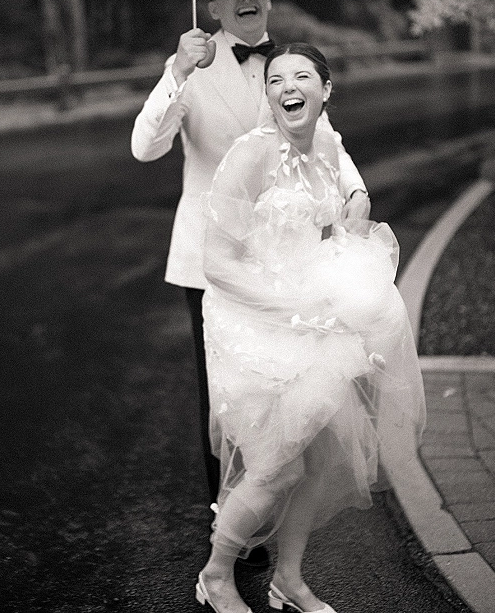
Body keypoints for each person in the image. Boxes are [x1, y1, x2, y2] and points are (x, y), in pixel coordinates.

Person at [131, 0, 370, 567]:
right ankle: (228, 531)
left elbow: (327, 143)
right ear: (211, 7)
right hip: (209, 262)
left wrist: (354, 193)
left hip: (288, 263)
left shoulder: (289, 69)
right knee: (226, 395)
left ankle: (273, 519)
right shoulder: (188, 67)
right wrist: (177, 73)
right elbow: (145, 147)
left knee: (286, 390)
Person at [195, 43, 426, 613]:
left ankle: (288, 580)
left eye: (302, 77)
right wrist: (289, 304)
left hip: (312, 314)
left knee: (320, 461)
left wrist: (356, 204)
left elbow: (353, 190)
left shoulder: (328, 144)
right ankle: (216, 574)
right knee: (278, 466)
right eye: (275, 80)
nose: (286, 86)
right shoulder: (250, 156)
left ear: (326, 91)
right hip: (251, 316)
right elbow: (217, 264)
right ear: (269, 95)